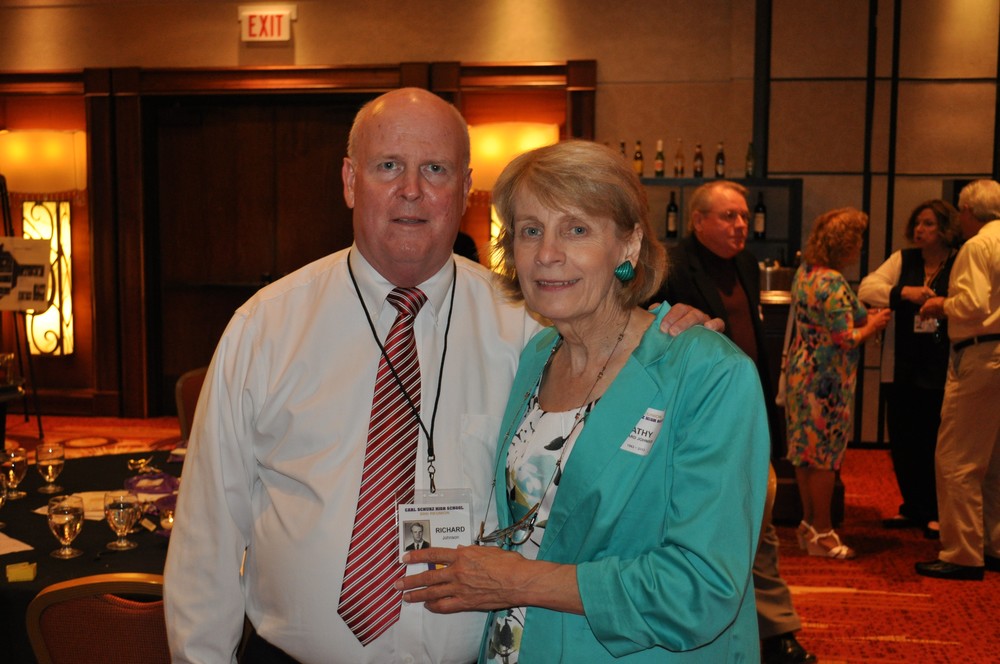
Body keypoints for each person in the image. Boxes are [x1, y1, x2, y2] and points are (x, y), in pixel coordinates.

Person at [163, 88, 717, 664]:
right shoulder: (265, 327)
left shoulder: (530, 326)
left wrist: (672, 336)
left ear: (465, 187)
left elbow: (616, 356)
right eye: (388, 166)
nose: (411, 189)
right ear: (350, 181)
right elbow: (209, 528)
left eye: (435, 169)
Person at [400, 140, 769, 662]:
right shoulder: (537, 355)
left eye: (576, 230)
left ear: (628, 245)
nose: (547, 253)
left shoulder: (706, 373)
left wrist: (519, 581)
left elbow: (701, 589)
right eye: (530, 230)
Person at [654, 180, 816, 664]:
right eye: (729, 216)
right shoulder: (671, 268)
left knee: (759, 517)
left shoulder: (745, 264)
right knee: (712, 527)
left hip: (748, 410)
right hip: (694, 418)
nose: (741, 225)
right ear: (698, 221)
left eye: (744, 216)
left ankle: (775, 629)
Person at [785, 208, 891, 560]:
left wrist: (862, 316)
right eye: (857, 241)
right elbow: (845, 338)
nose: (860, 248)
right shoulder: (832, 281)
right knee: (825, 458)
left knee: (804, 453)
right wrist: (872, 326)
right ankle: (824, 531)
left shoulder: (806, 273)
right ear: (844, 245)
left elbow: (831, 318)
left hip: (802, 372)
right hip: (827, 382)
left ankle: (808, 525)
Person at [914, 179, 1000, 581]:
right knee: (993, 459)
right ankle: (993, 544)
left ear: (968, 211)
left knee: (957, 458)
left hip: (980, 353)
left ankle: (963, 553)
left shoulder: (977, 246)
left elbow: (972, 303)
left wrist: (939, 303)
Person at [858, 199, 959, 540]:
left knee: (934, 441)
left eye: (928, 223)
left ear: (945, 228)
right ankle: (912, 506)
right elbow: (868, 288)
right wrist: (905, 292)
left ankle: (936, 510)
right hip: (900, 364)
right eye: (917, 223)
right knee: (903, 439)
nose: (920, 229)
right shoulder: (904, 259)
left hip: (942, 365)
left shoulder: (958, 260)